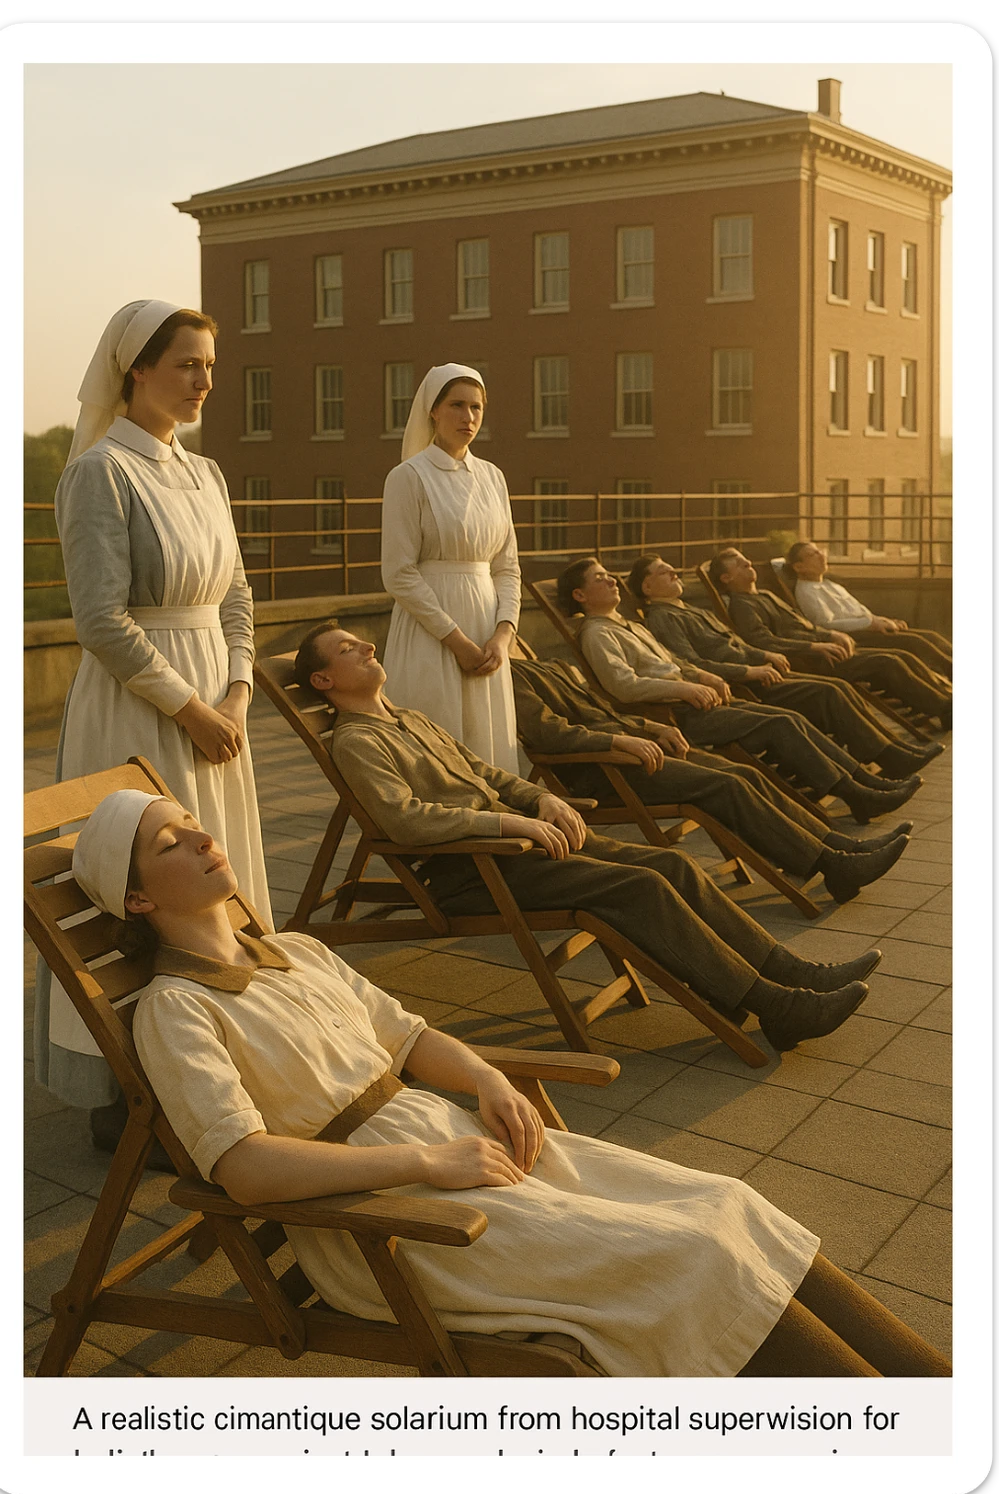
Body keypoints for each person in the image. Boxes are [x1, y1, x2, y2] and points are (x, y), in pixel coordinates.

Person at [70, 787, 951, 1378]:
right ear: (138, 900)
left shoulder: (296, 951)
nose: (202, 837)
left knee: (727, 1205)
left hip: (463, 1151)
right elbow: (245, 1170)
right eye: (169, 843)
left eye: (194, 822)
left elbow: (411, 1037)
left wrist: (488, 1077)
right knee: (695, 1260)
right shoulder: (176, 1010)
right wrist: (425, 1164)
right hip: (393, 1221)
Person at [297, 620, 892, 1054]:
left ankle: (792, 973)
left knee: (673, 866)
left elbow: (487, 774)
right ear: (324, 679)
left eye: (362, 641)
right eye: (349, 649)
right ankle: (776, 1006)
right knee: (642, 889)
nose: (368, 647)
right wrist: (510, 822)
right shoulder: (357, 741)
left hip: (524, 845)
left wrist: (542, 799)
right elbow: (405, 819)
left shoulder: (410, 719)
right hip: (477, 866)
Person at [36, 299, 272, 1136]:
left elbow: (236, 595)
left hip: (215, 700)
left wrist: (236, 691)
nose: (203, 380)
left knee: (212, 875)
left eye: (210, 365)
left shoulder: (206, 474)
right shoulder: (99, 471)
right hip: (140, 708)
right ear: (136, 370)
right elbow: (100, 621)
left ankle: (225, 1060)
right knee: (145, 888)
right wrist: (191, 707)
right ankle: (134, 1090)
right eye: (186, 364)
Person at [509, 648, 911, 904]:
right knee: (729, 785)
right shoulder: (511, 675)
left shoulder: (548, 663)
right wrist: (619, 740)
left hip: (634, 749)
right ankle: (832, 865)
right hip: (606, 769)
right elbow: (549, 733)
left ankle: (838, 848)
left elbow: (604, 710)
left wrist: (649, 727)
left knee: (743, 773)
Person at [558, 558, 924, 825]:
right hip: (675, 712)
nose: (612, 580)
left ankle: (861, 785)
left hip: (698, 698)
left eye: (610, 575)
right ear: (580, 595)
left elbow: (676, 660)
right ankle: (857, 792)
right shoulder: (597, 633)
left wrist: (702, 675)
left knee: (790, 717)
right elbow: (623, 686)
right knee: (782, 723)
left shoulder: (628, 625)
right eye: (600, 578)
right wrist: (686, 685)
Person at [627, 554, 944, 778]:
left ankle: (885, 755)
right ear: (647, 588)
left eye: (673, 569)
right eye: (664, 572)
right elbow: (691, 663)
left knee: (838, 688)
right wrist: (752, 669)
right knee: (833, 691)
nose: (674, 573)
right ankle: (882, 759)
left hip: (762, 671)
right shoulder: (663, 617)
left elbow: (742, 645)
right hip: (746, 683)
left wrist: (763, 656)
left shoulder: (692, 610)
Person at [380, 363, 521, 772]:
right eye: (457, 405)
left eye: (476, 407)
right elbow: (399, 573)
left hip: (487, 633)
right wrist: (456, 641)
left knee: (487, 746)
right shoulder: (408, 477)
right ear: (433, 410)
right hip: (433, 634)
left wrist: (503, 635)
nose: (468, 417)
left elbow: (507, 566)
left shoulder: (493, 478)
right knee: (439, 745)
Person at [710, 548, 952, 728]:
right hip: (810, 659)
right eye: (739, 564)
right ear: (726, 579)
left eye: (746, 559)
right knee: (888, 661)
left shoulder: (765, 594)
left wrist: (830, 634)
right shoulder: (742, 606)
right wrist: (814, 646)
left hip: (825, 647)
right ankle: (944, 709)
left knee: (899, 655)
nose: (748, 563)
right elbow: (763, 641)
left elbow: (802, 623)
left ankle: (945, 702)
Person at [784, 541, 953, 679]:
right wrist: (870, 623)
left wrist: (883, 620)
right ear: (799, 567)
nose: (822, 555)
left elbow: (859, 611)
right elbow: (825, 624)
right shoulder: (806, 592)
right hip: (855, 636)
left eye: (819, 551)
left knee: (931, 636)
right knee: (915, 642)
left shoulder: (830, 585)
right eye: (813, 555)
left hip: (868, 628)